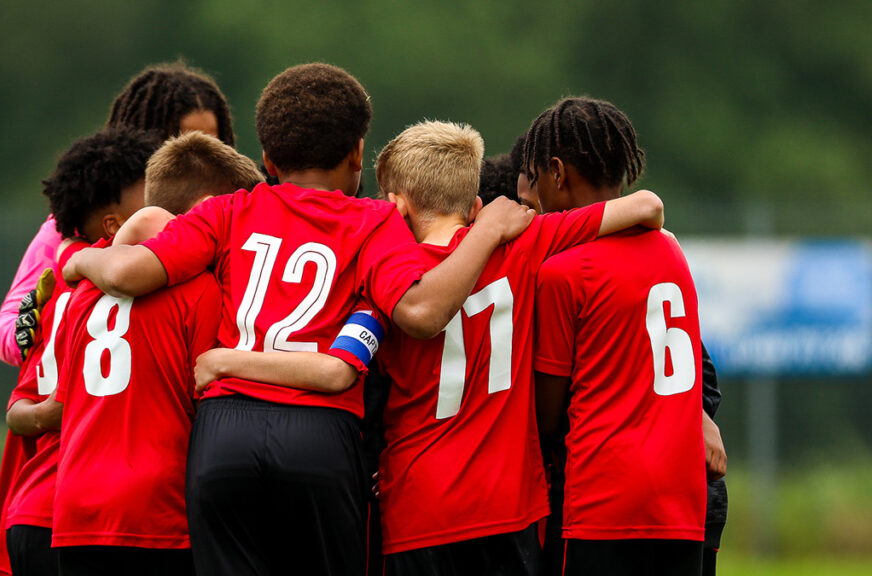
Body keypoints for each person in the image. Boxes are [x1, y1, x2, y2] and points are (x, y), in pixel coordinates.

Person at [62, 63, 534, 576]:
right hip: (320, 431)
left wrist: (80, 259)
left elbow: (130, 272)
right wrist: (486, 233)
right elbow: (420, 312)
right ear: (358, 154)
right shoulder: (374, 222)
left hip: (224, 435)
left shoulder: (230, 211)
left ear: (265, 158)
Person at [191, 119, 664, 576]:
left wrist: (225, 361)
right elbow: (644, 206)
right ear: (475, 204)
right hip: (509, 509)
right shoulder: (523, 247)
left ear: (394, 206)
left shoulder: (385, 286)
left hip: (419, 512)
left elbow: (338, 369)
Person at [49, 132, 262, 576]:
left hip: (75, 507)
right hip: (157, 510)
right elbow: (210, 396)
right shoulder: (201, 290)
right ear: (206, 210)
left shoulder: (86, 288)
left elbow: (67, 401)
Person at [530, 97, 706, 576]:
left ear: (557, 172)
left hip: (601, 502)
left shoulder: (563, 271)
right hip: (681, 502)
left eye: (537, 178)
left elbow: (548, 414)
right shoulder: (672, 253)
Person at [0, 61, 235, 367]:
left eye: (212, 140)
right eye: (182, 141)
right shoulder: (69, 230)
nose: (200, 155)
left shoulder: (237, 212)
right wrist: (32, 337)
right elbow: (6, 323)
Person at [0, 128, 158, 576]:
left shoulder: (59, 297)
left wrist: (51, 413)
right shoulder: (155, 296)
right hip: (97, 518)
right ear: (114, 223)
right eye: (154, 194)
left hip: (32, 510)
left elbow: (17, 408)